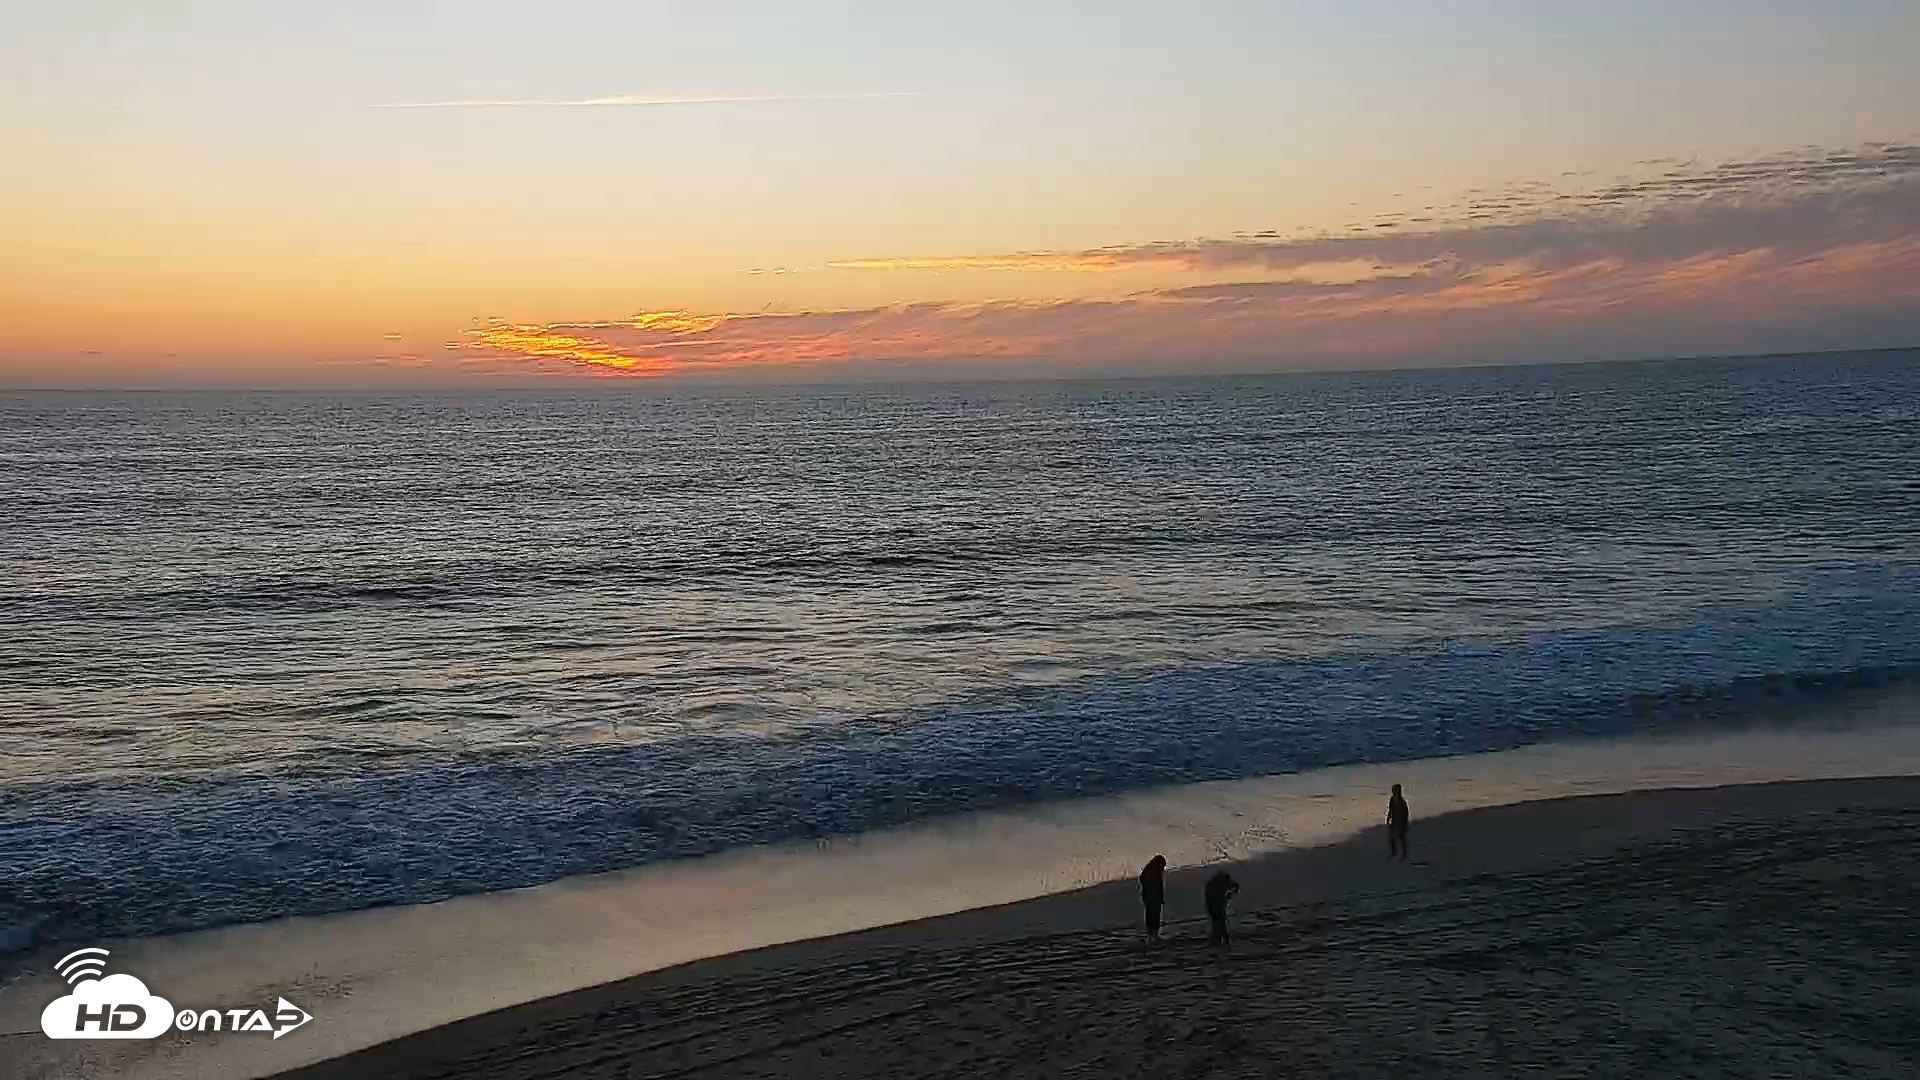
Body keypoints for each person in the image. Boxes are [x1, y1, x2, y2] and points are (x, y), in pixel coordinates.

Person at [1203, 870, 1239, 946]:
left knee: (1216, 922)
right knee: (1222, 922)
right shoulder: (1222, 884)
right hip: (1215, 904)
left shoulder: (1213, 883)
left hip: (1211, 904)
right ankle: (1224, 940)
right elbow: (1232, 888)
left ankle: (1217, 940)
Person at [1139, 855, 1167, 942]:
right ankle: (1153, 935)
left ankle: (1151, 935)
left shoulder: (1150, 869)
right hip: (1152, 896)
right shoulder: (1154, 871)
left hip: (1150, 896)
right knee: (1154, 915)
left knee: (1151, 915)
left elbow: (1142, 878)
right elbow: (1157, 886)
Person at [1387, 783, 1411, 862]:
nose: (1393, 791)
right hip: (1394, 821)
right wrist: (1388, 818)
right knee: (1392, 838)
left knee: (1401, 838)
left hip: (1401, 821)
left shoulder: (1402, 802)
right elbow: (1390, 810)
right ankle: (1394, 852)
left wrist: (1406, 824)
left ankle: (1404, 854)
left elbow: (1406, 813)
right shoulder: (1392, 799)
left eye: (1395, 790)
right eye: (1393, 790)